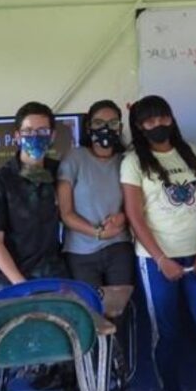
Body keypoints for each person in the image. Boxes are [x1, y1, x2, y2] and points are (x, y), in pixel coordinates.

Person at [121, 95, 196, 391]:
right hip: (156, 260)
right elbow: (134, 216)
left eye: (163, 117)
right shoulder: (133, 161)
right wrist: (160, 258)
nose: (158, 125)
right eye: (149, 120)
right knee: (166, 332)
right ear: (139, 126)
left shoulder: (190, 151)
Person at [0, 101, 68, 289]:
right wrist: (21, 285)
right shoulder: (0, 180)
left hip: (53, 278)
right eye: (28, 131)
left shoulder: (61, 172)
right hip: (10, 283)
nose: (35, 137)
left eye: (42, 131)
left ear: (52, 135)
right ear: (17, 136)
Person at [57, 100, 133, 288]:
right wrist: (98, 233)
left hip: (119, 247)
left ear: (120, 127)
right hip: (80, 252)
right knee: (90, 304)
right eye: (99, 123)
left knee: (120, 303)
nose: (106, 128)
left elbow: (135, 204)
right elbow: (66, 213)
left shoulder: (126, 161)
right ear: (88, 127)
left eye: (113, 123)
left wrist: (122, 217)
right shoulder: (74, 158)